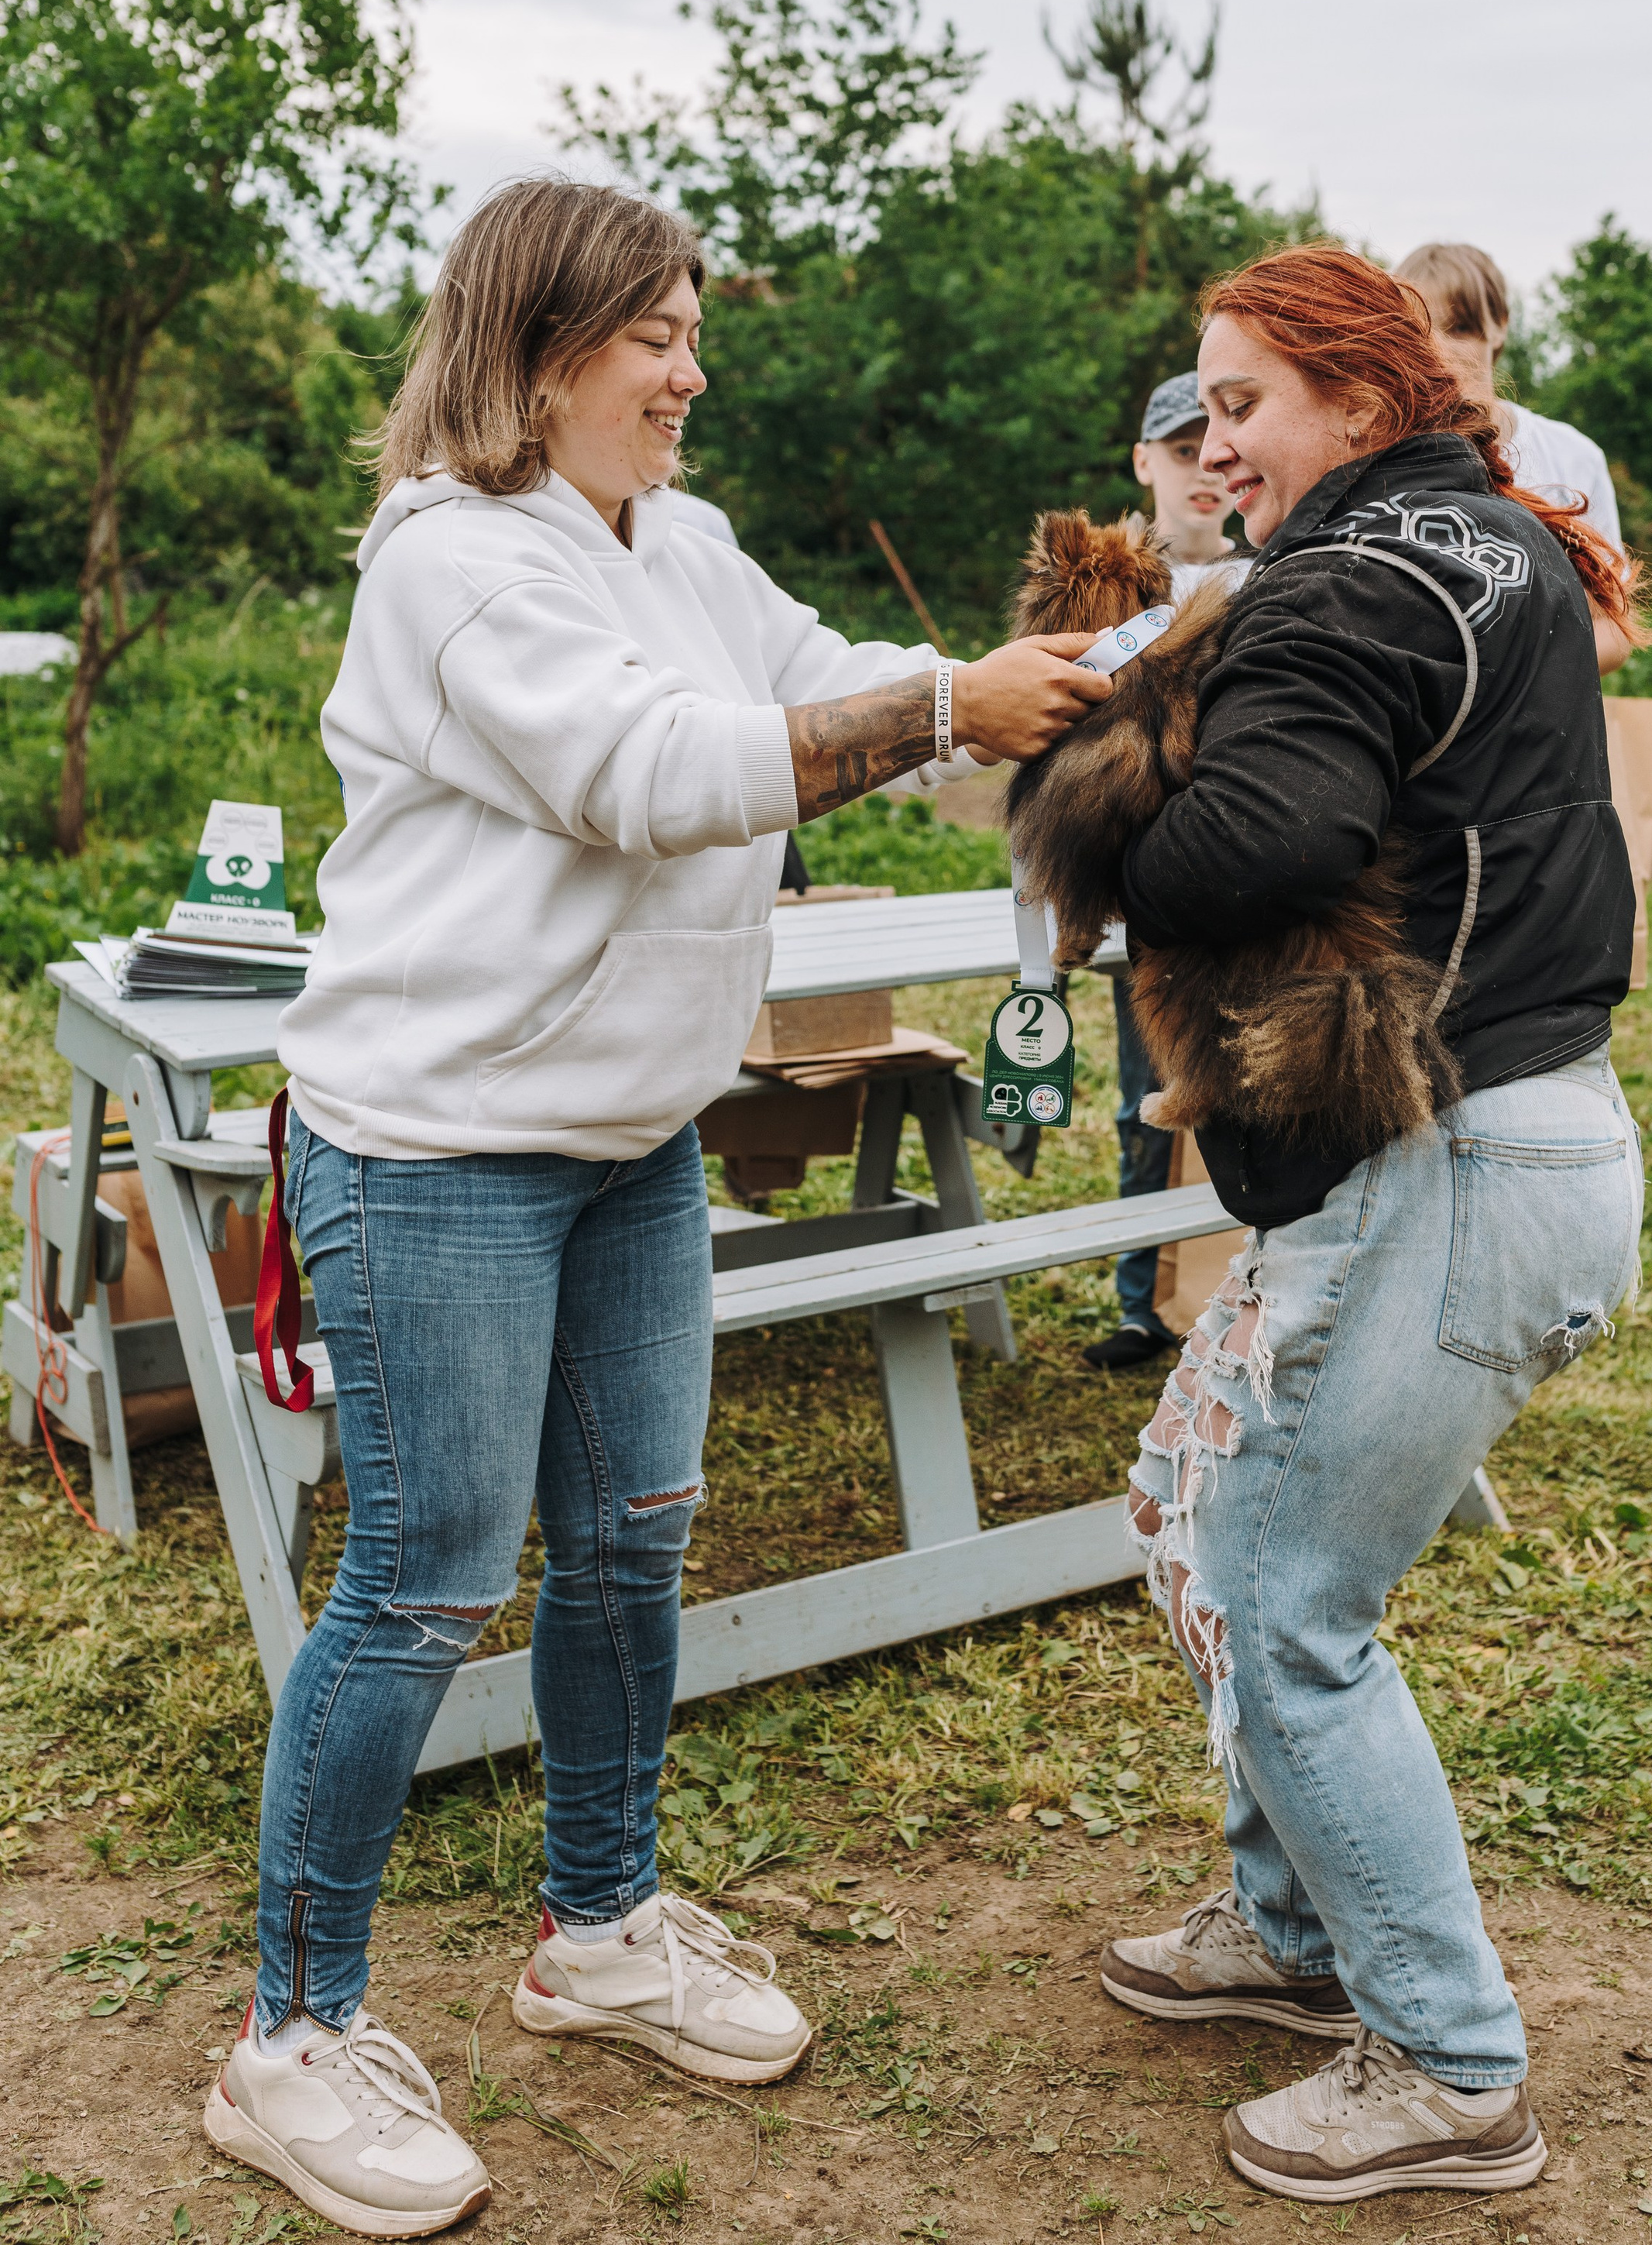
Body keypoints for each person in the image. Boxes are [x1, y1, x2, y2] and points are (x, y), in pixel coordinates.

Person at [206, 176, 1110, 2240]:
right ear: (542, 354)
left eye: (694, 331)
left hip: (630, 1136)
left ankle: (597, 1922)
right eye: (658, 337)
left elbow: (819, 677)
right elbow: (661, 766)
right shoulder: (449, 564)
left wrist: (1024, 688)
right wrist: (944, 705)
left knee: (628, 1541)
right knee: (431, 1578)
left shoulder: (676, 539)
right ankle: (290, 2036)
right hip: (437, 1146)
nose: (693, 371)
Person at [1094, 245, 1643, 2209]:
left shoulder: (1345, 574)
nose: (1210, 438)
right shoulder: (1488, 534)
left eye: (1239, 400)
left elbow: (1263, 836)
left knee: (1282, 1605)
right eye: (1201, 405)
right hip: (1524, 1138)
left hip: (1454, 1164)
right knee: (1192, 1499)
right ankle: (1291, 1928)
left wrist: (1092, 816)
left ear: (1349, 393)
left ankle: (1444, 2058)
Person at [1080, 373, 1252, 1374]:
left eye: (1218, 444)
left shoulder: (1271, 573)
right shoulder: (1111, 584)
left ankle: (1238, 1293)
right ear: (1144, 462)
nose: (1202, 468)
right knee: (1147, 1098)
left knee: (1251, 1088)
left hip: (1242, 874)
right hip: (1135, 882)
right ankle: (1145, 1302)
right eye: (1180, 450)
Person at [1394, 241, 1622, 545]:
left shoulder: (1574, 458)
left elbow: (1609, 587)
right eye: (1421, 331)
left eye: (1460, 328)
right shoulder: (1383, 463)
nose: (1441, 350)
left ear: (1501, 324)